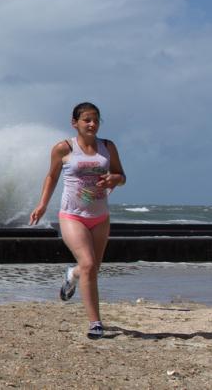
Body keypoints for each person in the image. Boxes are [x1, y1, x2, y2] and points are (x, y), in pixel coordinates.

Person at [29, 102, 127, 340]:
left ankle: (71, 275)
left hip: (100, 217)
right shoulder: (64, 148)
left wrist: (113, 178)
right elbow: (51, 176)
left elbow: (122, 177)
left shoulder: (108, 147)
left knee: (91, 268)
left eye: (96, 119)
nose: (92, 124)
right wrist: (42, 204)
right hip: (72, 215)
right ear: (75, 123)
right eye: (86, 119)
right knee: (89, 264)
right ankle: (95, 323)